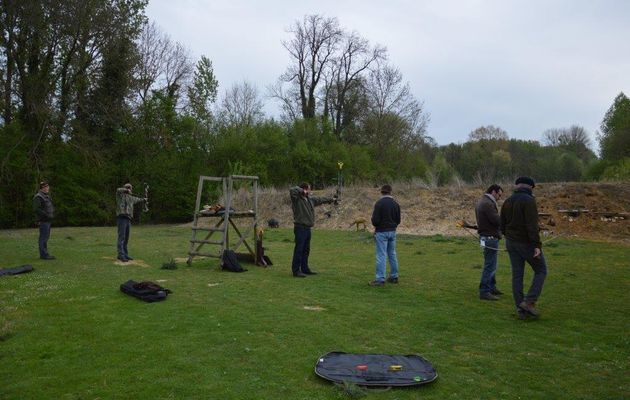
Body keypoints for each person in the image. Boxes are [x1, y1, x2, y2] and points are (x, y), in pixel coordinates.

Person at [500, 176, 547, 319]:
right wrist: (537, 246)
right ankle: (529, 302)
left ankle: (521, 311)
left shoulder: (507, 201)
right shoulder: (529, 201)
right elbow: (532, 226)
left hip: (511, 242)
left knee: (517, 276)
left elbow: (502, 225)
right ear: (531, 188)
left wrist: (509, 236)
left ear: (517, 186)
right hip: (525, 243)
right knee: (541, 270)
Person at [289, 183, 336, 277]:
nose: (310, 191)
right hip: (300, 228)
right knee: (299, 250)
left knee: (306, 250)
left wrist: (332, 199)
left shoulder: (310, 200)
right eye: (309, 189)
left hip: (307, 229)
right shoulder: (297, 199)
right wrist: (302, 191)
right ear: (305, 189)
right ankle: (296, 270)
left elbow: (320, 199)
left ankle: (305, 268)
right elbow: (292, 189)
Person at [475, 184, 504, 300]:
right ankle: (484, 291)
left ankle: (491, 287)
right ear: (494, 192)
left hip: (485, 238)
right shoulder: (488, 203)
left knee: (491, 263)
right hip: (490, 238)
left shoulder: (481, 201)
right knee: (490, 265)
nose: (499, 198)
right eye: (499, 195)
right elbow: (497, 220)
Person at [369, 184, 401, 286]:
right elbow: (398, 220)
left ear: (381, 192)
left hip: (381, 232)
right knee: (392, 254)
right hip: (392, 231)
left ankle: (380, 279)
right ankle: (394, 276)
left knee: (381, 255)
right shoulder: (395, 204)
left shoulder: (379, 203)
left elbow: (375, 221)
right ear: (390, 192)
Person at [116, 183, 146, 262]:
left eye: (130, 188)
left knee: (126, 239)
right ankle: (121, 255)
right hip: (121, 218)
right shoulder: (120, 196)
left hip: (128, 219)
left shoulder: (131, 198)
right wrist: (126, 190)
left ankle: (125, 254)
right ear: (124, 188)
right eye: (127, 187)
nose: (129, 189)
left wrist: (144, 199)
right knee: (121, 238)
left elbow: (138, 199)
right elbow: (118, 190)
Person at [33, 181, 55, 260]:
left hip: (48, 220)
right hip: (43, 221)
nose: (46, 188)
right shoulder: (38, 197)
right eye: (44, 187)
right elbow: (36, 209)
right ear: (41, 189)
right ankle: (44, 255)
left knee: (46, 237)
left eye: (47, 187)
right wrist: (46, 215)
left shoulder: (47, 196)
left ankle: (45, 254)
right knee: (43, 238)